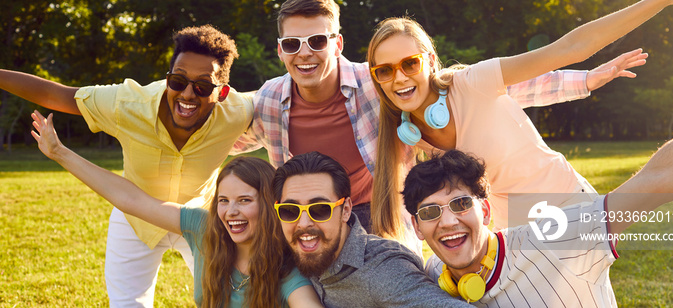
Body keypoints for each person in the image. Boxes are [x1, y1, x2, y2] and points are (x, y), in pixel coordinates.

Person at [232, 0, 650, 242]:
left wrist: (587, 80)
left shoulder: (429, 82)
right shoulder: (274, 100)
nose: (398, 78)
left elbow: (525, 78)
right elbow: (229, 129)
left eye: (409, 63)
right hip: (496, 227)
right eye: (292, 43)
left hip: (554, 203)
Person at [367, 0, 673, 237]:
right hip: (510, 236)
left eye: (410, 64)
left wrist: (657, 3)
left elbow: (570, 48)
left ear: (430, 61)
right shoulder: (406, 133)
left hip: (568, 208)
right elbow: (401, 212)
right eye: (385, 70)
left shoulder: (472, 83)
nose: (399, 78)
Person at [0, 25, 253, 306]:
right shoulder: (128, 103)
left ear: (223, 92)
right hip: (134, 217)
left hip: (201, 219)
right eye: (178, 81)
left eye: (203, 86)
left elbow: (289, 103)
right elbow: (58, 95)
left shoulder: (239, 111)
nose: (188, 95)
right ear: (167, 78)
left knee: (228, 301)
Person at [30, 111, 322, 308]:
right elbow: (131, 200)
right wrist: (59, 153)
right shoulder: (203, 227)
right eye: (223, 200)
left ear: (270, 206)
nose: (230, 211)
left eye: (245, 200)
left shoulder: (284, 268)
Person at [403, 122, 673, 306]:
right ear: (417, 228)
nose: (448, 221)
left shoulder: (554, 241)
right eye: (430, 212)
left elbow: (661, 178)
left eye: (460, 204)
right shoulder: (430, 275)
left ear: (485, 209)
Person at [270, 151, 474, 307]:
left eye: (320, 209)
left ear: (346, 209)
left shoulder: (383, 270)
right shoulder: (290, 250)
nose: (303, 223)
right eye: (290, 210)